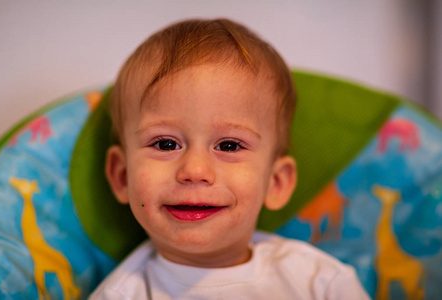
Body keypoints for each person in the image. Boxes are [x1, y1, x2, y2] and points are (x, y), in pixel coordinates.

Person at [90, 18, 370, 299]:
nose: (195, 169)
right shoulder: (120, 295)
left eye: (229, 146)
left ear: (276, 182)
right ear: (121, 176)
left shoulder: (321, 283)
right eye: (165, 144)